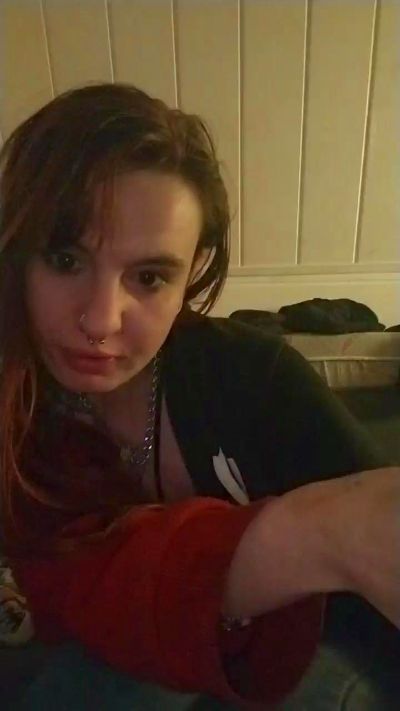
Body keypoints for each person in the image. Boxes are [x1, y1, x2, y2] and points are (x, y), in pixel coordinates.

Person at [0, 83, 399, 710]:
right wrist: (309, 533)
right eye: (65, 259)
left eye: (149, 276)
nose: (101, 320)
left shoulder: (253, 377)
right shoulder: (17, 397)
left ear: (193, 272)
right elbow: (70, 588)